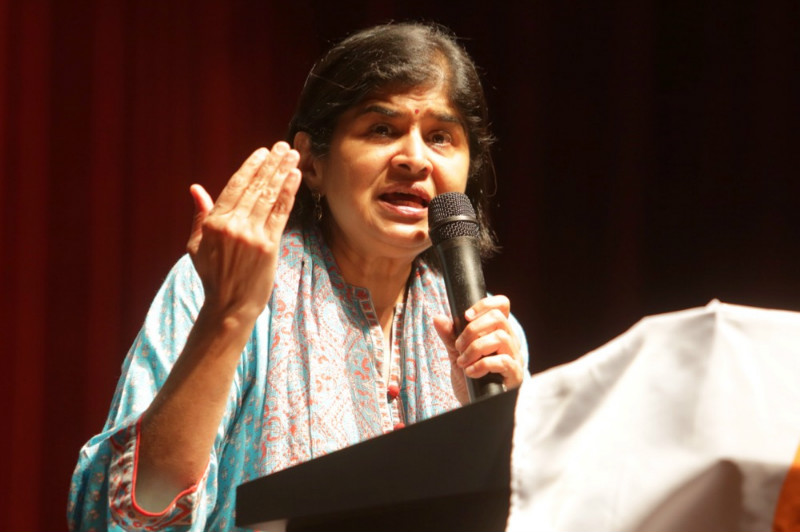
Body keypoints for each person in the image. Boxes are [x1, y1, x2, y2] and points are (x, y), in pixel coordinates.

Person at [68, 21, 528, 531]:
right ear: (310, 162)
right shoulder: (227, 287)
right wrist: (226, 318)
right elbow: (122, 519)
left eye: (441, 137)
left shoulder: (487, 333)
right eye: (382, 129)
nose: (415, 159)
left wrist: (507, 418)